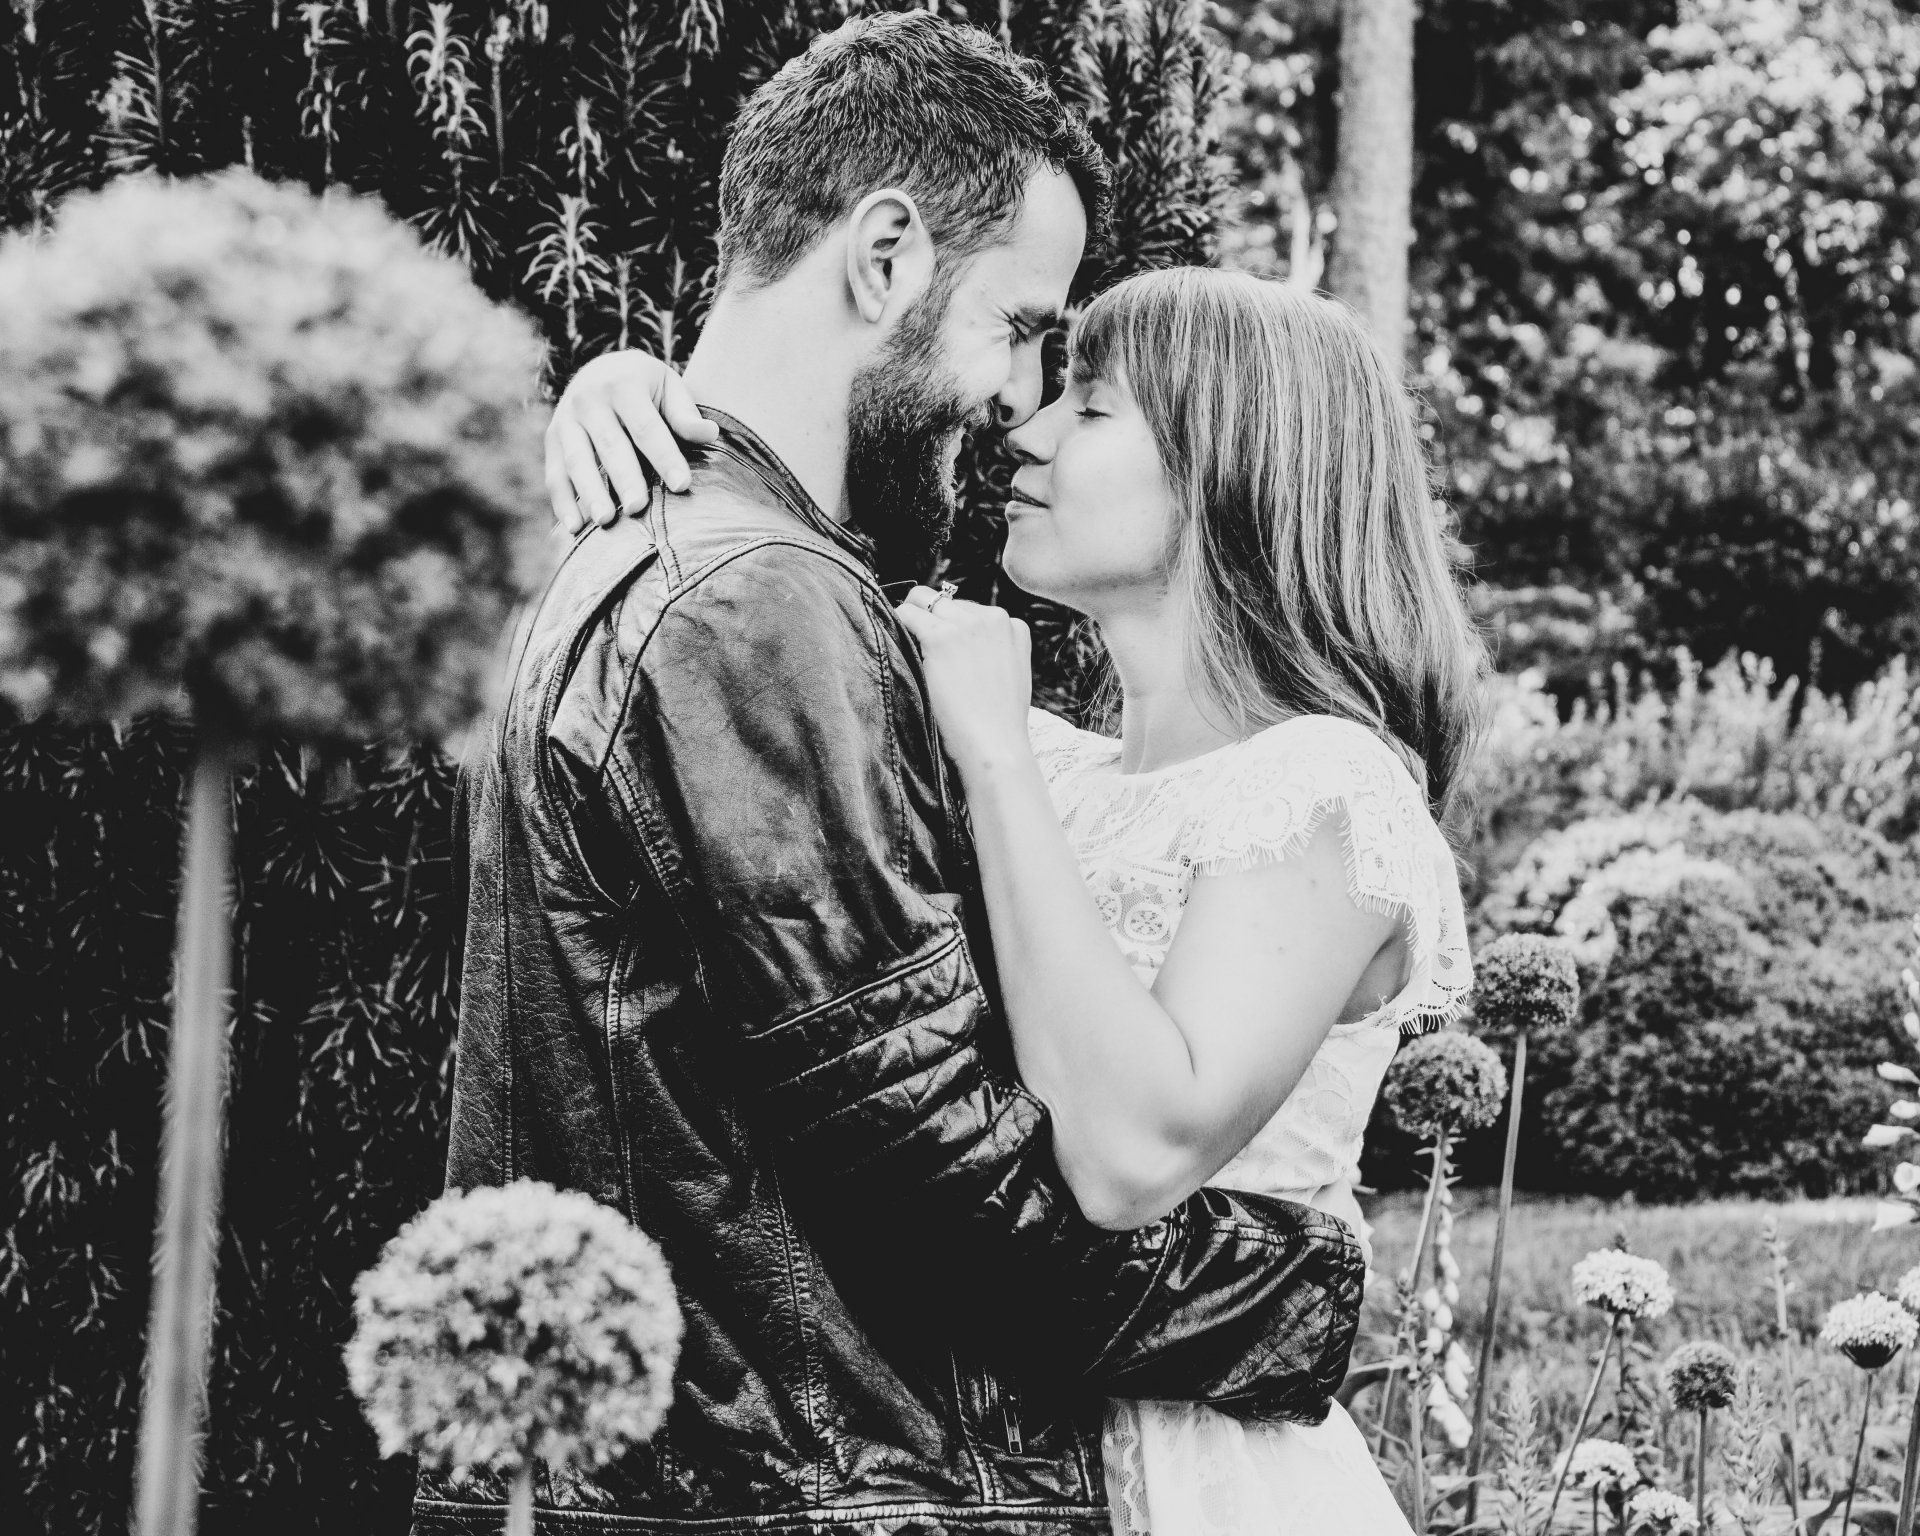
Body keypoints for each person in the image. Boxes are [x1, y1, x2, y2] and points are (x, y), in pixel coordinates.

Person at [425, 15, 1365, 1536]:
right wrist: (1306, 1295)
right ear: (882, 257)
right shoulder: (754, 600)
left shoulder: (651, 549)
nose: (1016, 402)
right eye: (1016, 327)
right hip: (803, 1491)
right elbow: (936, 1164)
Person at [546, 267, 1486, 1532]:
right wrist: (628, 401)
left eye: (1091, 411)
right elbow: (741, 622)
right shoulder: (1051, 761)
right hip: (961, 1446)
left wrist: (991, 753)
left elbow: (1131, 1154)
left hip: (1197, 1474)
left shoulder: (1322, 787)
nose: (1028, 430)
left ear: (1233, 471)